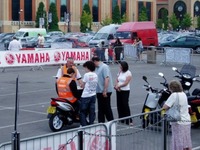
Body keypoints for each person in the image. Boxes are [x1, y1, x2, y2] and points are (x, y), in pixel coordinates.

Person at [162, 80, 192, 150]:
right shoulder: (183, 93)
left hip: (178, 122)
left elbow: (165, 106)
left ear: (172, 88)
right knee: (186, 141)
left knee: (178, 141)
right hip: (186, 120)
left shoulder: (174, 95)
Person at [92, 56, 114, 123]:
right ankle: (101, 122)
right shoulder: (96, 68)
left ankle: (111, 122)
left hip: (105, 90)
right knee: (100, 108)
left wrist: (105, 90)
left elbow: (107, 78)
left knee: (106, 107)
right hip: (99, 90)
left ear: (95, 61)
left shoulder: (104, 67)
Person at [80, 61, 98, 126]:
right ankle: (91, 124)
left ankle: (84, 125)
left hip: (86, 95)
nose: (84, 69)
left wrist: (81, 84)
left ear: (87, 67)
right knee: (91, 111)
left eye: (85, 68)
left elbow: (82, 85)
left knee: (83, 111)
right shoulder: (95, 74)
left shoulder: (86, 75)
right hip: (93, 94)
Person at [114, 61, 133, 125]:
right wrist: (117, 86)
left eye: (121, 66)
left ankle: (129, 119)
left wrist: (119, 86)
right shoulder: (120, 72)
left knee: (125, 104)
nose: (120, 67)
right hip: (119, 89)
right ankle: (121, 118)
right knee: (119, 104)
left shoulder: (128, 73)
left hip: (125, 90)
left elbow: (126, 83)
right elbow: (117, 79)